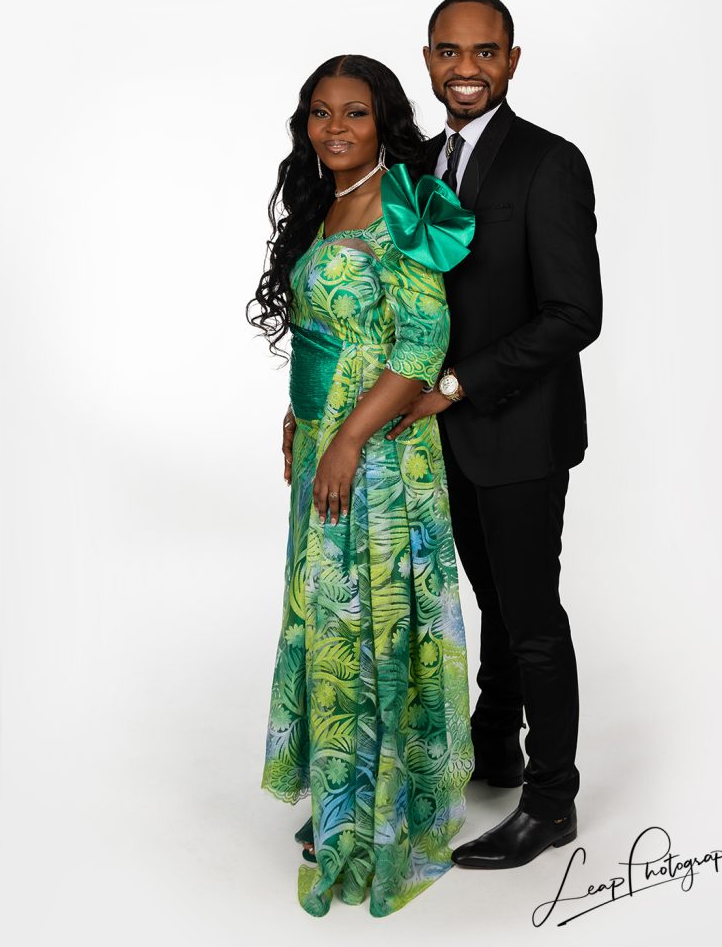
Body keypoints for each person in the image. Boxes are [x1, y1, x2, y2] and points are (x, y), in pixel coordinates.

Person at [248, 54, 476, 916]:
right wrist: (299, 424)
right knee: (324, 616)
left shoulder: (403, 206)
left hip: (378, 458)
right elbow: (325, 334)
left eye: (353, 112)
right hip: (325, 444)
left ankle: (376, 818)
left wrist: (346, 439)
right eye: (318, 112)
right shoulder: (326, 202)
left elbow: (420, 342)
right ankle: (339, 799)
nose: (334, 127)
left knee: (365, 622)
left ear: (384, 121)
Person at [385, 0, 603, 869]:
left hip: (517, 431)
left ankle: (551, 803)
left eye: (484, 52)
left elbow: (573, 313)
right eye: (448, 51)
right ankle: (496, 744)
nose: (464, 68)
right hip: (441, 436)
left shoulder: (549, 163)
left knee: (530, 613)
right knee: (486, 599)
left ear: (512, 61)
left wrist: (458, 383)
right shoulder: (419, 162)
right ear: (429, 59)